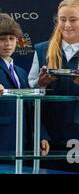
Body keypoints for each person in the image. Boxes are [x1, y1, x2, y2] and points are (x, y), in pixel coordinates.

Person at [28, 0, 79, 174]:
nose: (67, 25)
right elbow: (30, 97)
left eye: (73, 19)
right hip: (48, 138)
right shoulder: (42, 50)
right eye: (62, 19)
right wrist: (41, 85)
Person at [0, 13, 50, 158]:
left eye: (11, 38)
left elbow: (31, 107)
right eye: (2, 39)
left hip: (25, 144)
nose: (8, 43)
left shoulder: (21, 72)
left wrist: (41, 135)